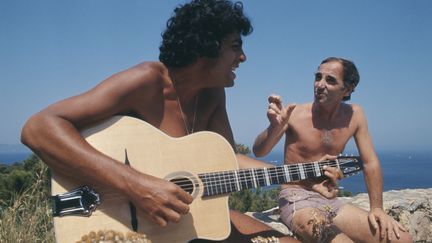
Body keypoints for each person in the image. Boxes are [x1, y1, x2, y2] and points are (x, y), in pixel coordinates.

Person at [21, 1, 341, 242]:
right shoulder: (145, 81)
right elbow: (38, 128)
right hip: (119, 222)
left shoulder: (214, 94)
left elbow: (228, 163)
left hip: (183, 223)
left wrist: (301, 177)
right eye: (235, 47)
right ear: (206, 47)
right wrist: (135, 185)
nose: (242, 58)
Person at [253, 57, 413, 243]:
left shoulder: (355, 115)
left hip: (331, 201)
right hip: (296, 198)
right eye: (318, 77)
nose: (319, 84)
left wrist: (377, 208)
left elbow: (370, 162)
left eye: (330, 80)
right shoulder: (295, 114)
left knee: (402, 239)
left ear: (347, 89)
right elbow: (259, 151)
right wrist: (273, 128)